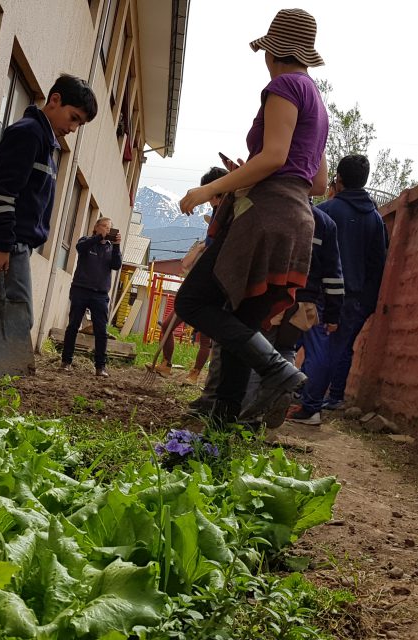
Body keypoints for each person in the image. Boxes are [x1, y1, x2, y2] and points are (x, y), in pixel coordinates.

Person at [175, 8, 329, 427]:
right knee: (242, 321)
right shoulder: (317, 100)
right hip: (298, 219)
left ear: (274, 50)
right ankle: (223, 423)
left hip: (265, 216)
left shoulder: (283, 85)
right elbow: (318, 182)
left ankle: (277, 370)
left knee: (192, 301)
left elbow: (274, 157)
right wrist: (257, 171)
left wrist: (212, 188)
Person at [0, 74, 98, 392]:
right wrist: (1, 244)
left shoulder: (45, 142)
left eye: (79, 124)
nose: (73, 127)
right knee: (19, 316)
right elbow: (2, 192)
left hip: (16, 241)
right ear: (54, 100)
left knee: (0, 308)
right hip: (8, 239)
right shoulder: (28, 134)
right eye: (74, 118)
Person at [290, 154, 389, 422]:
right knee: (335, 350)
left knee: (312, 347)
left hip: (321, 293)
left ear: (339, 180)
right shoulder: (375, 221)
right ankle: (318, 401)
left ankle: (308, 406)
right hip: (355, 299)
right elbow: (378, 265)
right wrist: (367, 303)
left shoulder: (328, 213)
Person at [240, 200, 343, 426]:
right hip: (303, 304)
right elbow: (333, 275)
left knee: (260, 354)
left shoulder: (276, 207)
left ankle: (248, 415)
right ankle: (282, 393)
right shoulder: (326, 223)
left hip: (271, 298)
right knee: (286, 350)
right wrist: (333, 314)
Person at [147, 166, 227, 379]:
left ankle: (195, 374)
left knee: (206, 338)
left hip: (212, 286)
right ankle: (166, 364)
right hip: (199, 282)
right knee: (168, 325)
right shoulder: (217, 214)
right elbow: (187, 262)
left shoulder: (227, 214)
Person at [61, 218, 122, 376]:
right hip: (81, 290)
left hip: (100, 294)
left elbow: (116, 265)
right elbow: (80, 248)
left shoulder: (110, 248)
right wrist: (98, 237)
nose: (106, 230)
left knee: (101, 331)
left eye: (109, 228)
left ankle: (100, 367)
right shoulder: (86, 240)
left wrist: (117, 246)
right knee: (73, 326)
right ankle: (66, 362)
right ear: (95, 227)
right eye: (103, 226)